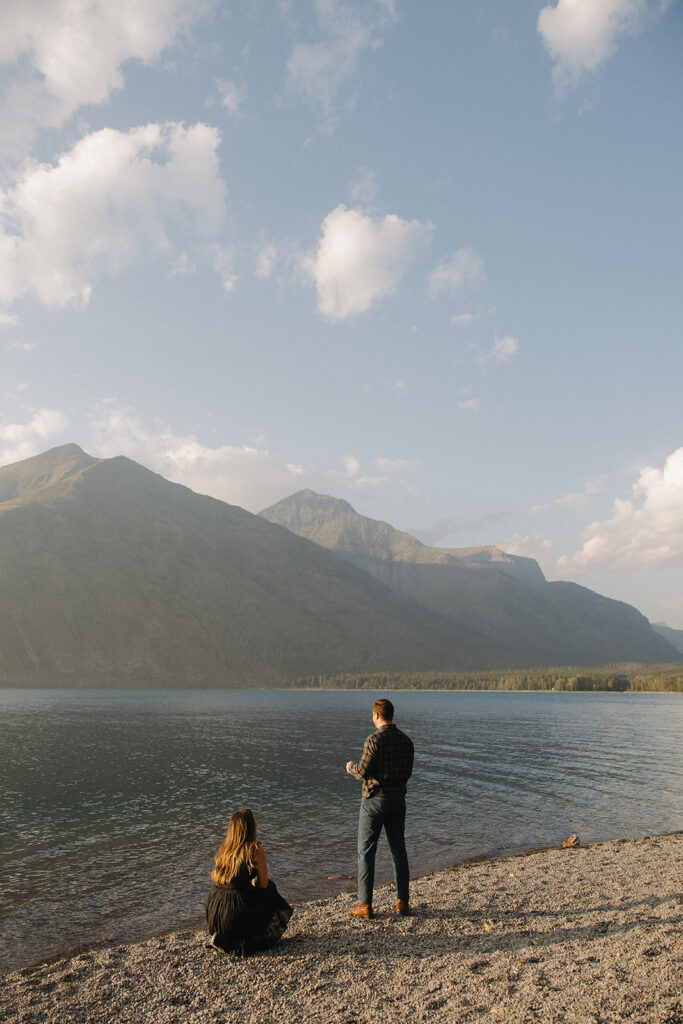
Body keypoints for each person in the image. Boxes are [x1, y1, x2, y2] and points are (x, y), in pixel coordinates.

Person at [345, 698, 414, 919]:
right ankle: (402, 902)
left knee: (366, 853)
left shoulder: (373, 740)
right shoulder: (406, 741)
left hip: (374, 800)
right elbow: (408, 773)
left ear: (376, 715)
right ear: (391, 714)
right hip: (398, 799)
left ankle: (365, 905)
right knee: (398, 850)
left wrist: (349, 768)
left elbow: (363, 771)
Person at [206, 808, 292, 956]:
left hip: (215, 909)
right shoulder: (254, 848)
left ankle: (224, 935)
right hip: (235, 910)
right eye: (255, 819)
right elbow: (263, 883)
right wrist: (252, 884)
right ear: (249, 826)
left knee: (248, 894)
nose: (257, 822)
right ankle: (255, 937)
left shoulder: (224, 849)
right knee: (270, 889)